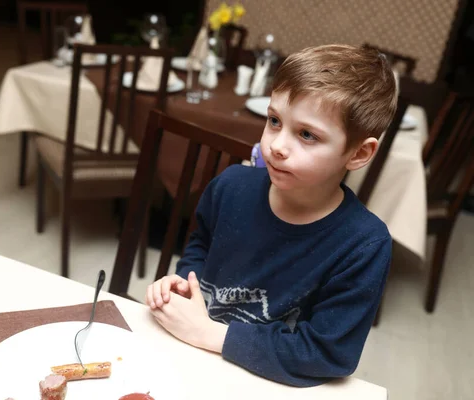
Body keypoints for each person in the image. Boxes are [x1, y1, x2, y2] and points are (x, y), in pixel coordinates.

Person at [145, 44, 398, 387]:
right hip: (190, 360)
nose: (277, 145)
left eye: (307, 134)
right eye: (274, 121)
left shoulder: (364, 245)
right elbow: (201, 244)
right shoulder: (230, 185)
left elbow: (328, 354)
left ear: (358, 152)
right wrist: (184, 283)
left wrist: (211, 335)